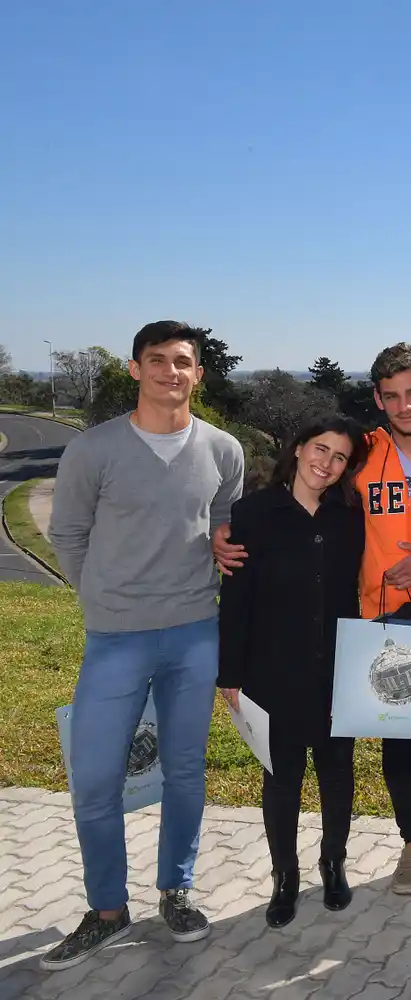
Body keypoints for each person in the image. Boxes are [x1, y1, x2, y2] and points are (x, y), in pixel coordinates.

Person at [216, 342, 411, 900]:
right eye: (392, 396)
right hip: (382, 619)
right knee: (397, 738)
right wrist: (232, 533)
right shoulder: (364, 453)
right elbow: (305, 485)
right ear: (378, 398)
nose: (404, 406)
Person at [43, 321, 245, 972]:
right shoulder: (94, 450)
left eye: (182, 361)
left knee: (186, 772)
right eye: (155, 361)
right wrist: (100, 599)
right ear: (135, 370)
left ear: (198, 374)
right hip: (115, 638)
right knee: (96, 780)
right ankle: (106, 910)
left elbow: (225, 530)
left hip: (194, 632)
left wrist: (223, 549)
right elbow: (68, 533)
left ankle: (175, 891)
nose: (169, 372)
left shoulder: (223, 450)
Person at [217, 415, 369, 928]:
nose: (326, 464)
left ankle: (334, 862)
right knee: (281, 780)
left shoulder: (351, 517)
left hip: (337, 671)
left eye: (340, 457)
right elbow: (235, 599)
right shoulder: (253, 513)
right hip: (272, 671)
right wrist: (230, 675)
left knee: (336, 775)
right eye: (320, 450)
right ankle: (285, 877)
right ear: (299, 447)